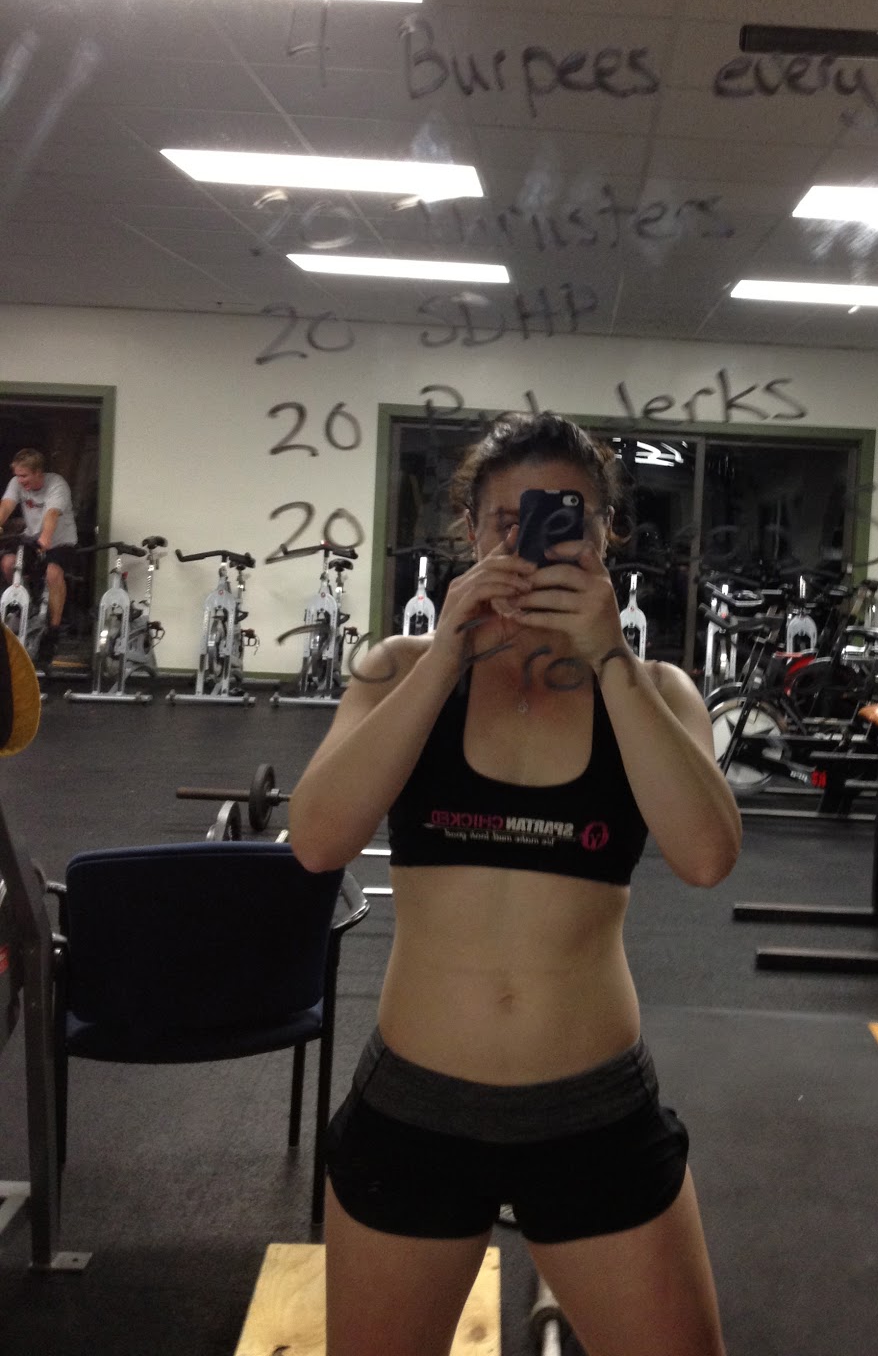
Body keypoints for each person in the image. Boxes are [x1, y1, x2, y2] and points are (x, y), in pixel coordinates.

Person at [289, 411, 741, 1356]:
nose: (531, 543)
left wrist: (608, 656)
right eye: (508, 520)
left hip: (593, 1114)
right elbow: (319, 841)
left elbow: (706, 857)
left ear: (605, 534)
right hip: (417, 1108)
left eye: (564, 519)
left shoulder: (656, 690)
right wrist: (447, 653)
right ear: (471, 531)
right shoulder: (397, 668)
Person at [0, 449, 79, 663]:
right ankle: (26, 605)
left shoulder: (57, 485)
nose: (20, 480)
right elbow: (6, 505)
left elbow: (52, 514)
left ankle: (54, 629)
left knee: (53, 574)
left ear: (38, 472)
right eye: (17, 475)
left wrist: (45, 538)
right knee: (8, 563)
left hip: (60, 540)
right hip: (31, 537)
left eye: (24, 476)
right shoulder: (17, 483)